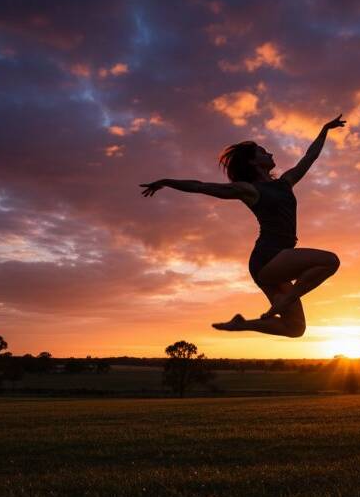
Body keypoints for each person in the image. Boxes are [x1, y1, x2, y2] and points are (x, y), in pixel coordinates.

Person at [140, 114, 346, 337]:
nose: (270, 153)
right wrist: (166, 182)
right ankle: (288, 297)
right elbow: (201, 186)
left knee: (295, 328)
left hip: (277, 264)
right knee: (330, 261)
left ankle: (242, 324)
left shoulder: (285, 182)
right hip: (267, 258)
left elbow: (310, 156)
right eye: (263, 152)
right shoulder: (249, 189)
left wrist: (325, 129)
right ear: (252, 162)